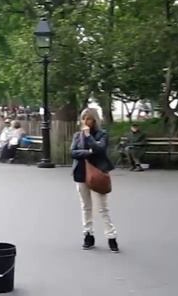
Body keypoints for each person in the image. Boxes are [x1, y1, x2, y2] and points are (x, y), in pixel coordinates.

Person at [70, 108, 119, 253]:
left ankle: (111, 237)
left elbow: (100, 149)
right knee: (86, 207)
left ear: (94, 120)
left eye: (89, 119)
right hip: (81, 173)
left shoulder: (102, 134)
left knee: (102, 208)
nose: (85, 122)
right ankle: (88, 234)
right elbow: (73, 152)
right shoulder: (77, 135)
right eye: (83, 118)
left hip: (97, 174)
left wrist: (88, 137)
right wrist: (88, 152)